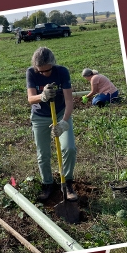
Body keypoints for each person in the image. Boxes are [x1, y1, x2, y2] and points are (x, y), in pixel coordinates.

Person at [26, 46, 78, 201]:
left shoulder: (62, 72)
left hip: (62, 113)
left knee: (69, 148)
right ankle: (48, 184)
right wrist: (42, 96)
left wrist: (63, 123)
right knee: (43, 154)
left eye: (48, 70)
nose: (45, 74)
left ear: (53, 64)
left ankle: (67, 183)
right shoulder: (30, 72)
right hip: (40, 117)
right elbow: (30, 98)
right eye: (41, 71)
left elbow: (69, 102)